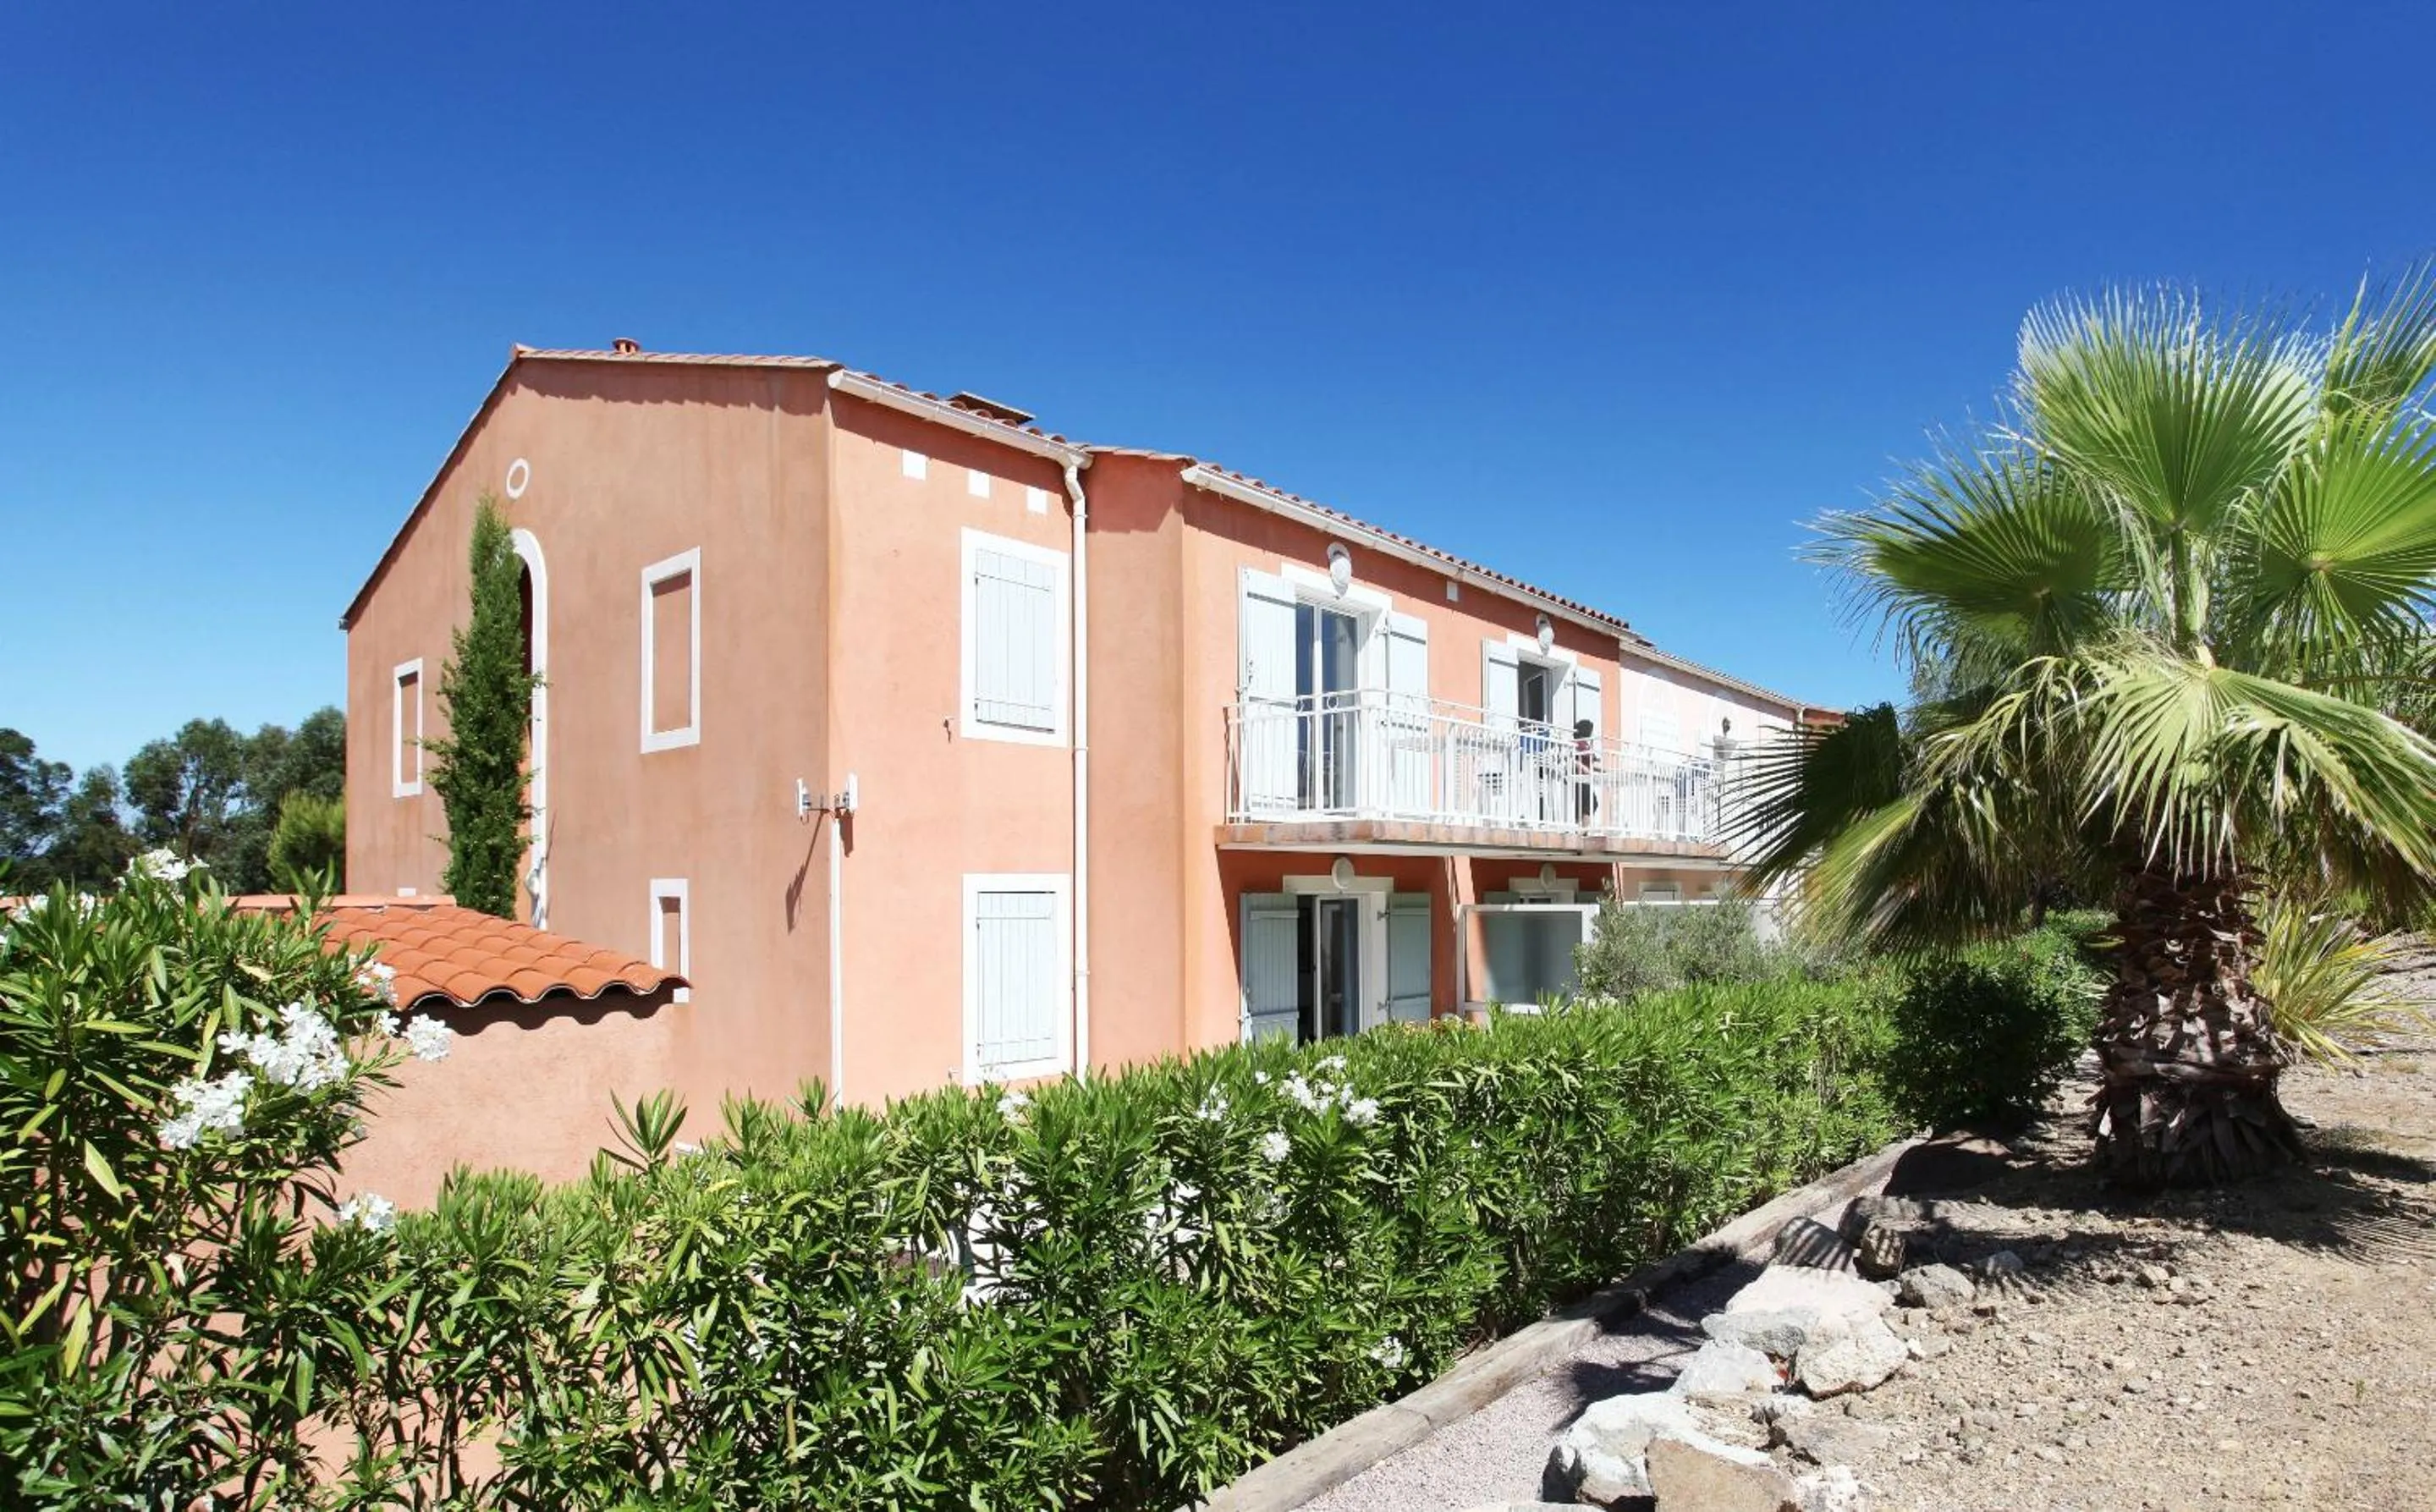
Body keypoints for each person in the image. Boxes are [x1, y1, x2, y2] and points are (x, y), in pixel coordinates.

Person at [1574, 718, 1599, 826]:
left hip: (1586, 779)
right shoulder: (1576, 744)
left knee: (1591, 804)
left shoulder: (1587, 745)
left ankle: (1583, 829)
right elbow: (1571, 758)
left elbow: (1593, 763)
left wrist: (1605, 770)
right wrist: (1583, 768)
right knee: (1587, 804)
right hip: (1579, 778)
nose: (1591, 733)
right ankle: (1581, 829)